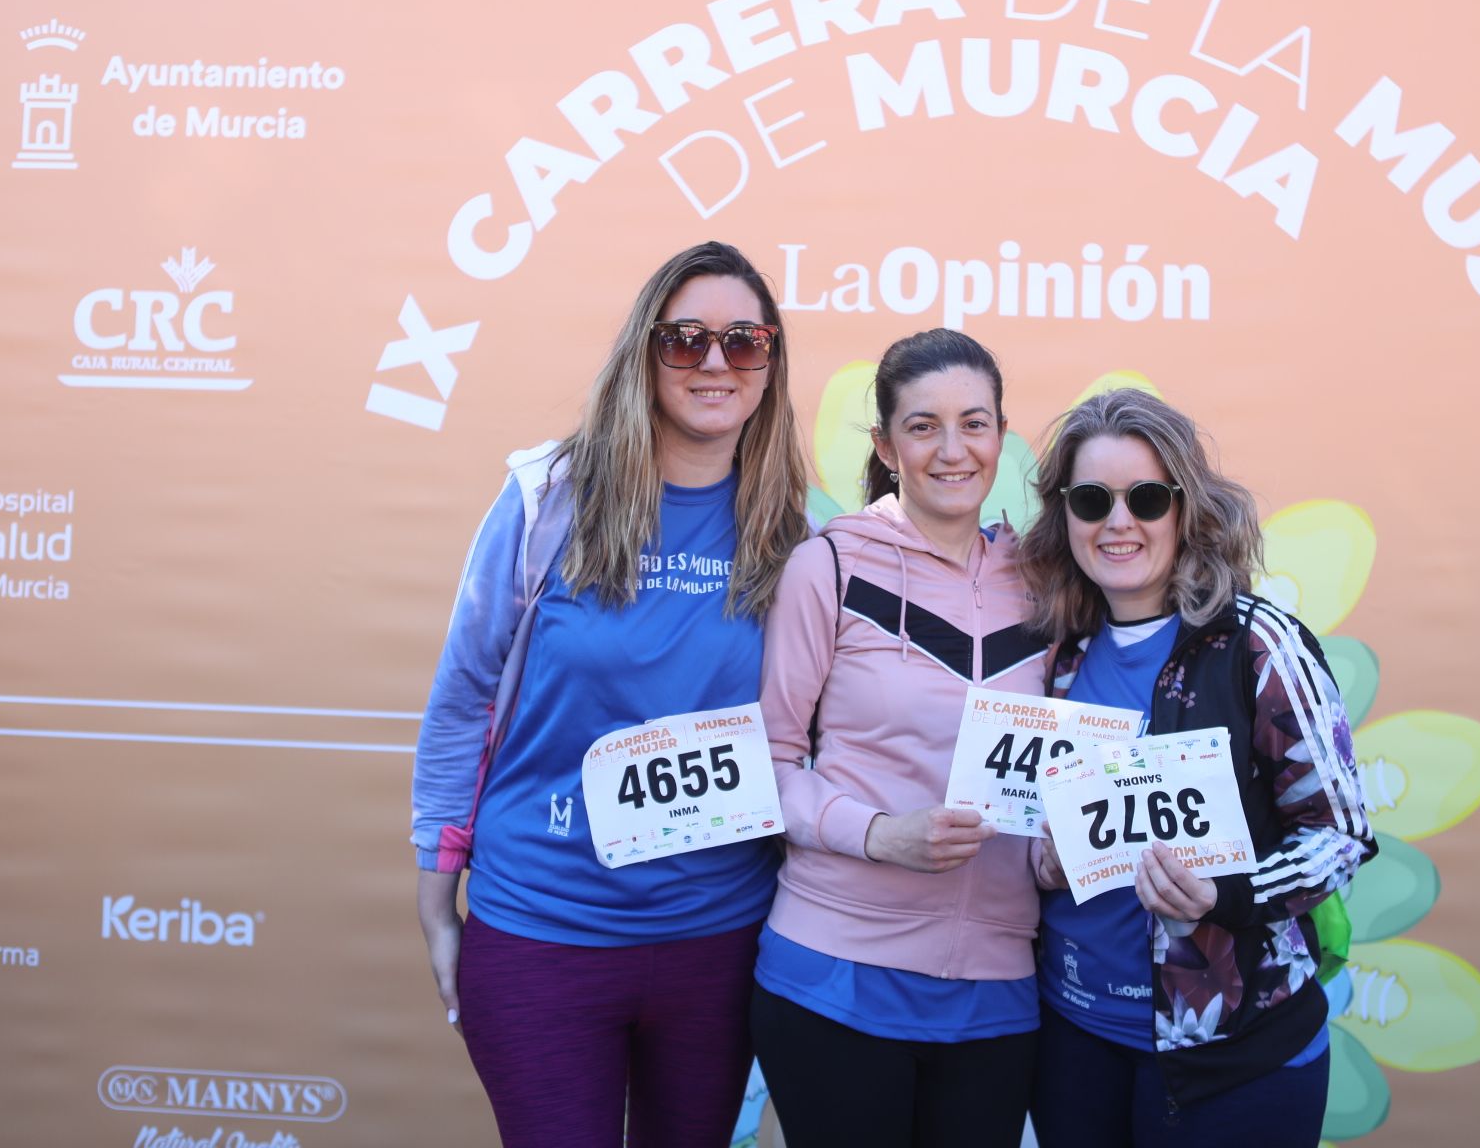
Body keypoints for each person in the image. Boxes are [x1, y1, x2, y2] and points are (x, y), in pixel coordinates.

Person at [410, 241, 810, 1148]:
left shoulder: (802, 534)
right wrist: (436, 895)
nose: (715, 362)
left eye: (744, 342)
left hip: (722, 940)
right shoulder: (549, 497)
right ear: (645, 351)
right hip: (544, 930)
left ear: (771, 362)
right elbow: (465, 698)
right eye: (687, 339)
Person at [1018, 388, 1375, 1148]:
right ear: (1065, 516)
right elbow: (1036, 816)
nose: (1119, 522)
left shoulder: (1259, 646)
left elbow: (1339, 833)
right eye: (1092, 500)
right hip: (1073, 1041)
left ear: (1186, 508)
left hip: (1234, 1060)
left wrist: (1225, 893)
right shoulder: (1055, 652)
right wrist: (1041, 858)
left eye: (1146, 498)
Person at [752, 328, 1048, 1148]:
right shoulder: (830, 567)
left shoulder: (1049, 583)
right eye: (922, 427)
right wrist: (882, 835)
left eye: (974, 423)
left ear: (1001, 435)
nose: (952, 450)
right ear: (885, 445)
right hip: (834, 974)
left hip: (997, 988)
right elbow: (767, 763)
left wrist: (1063, 849)